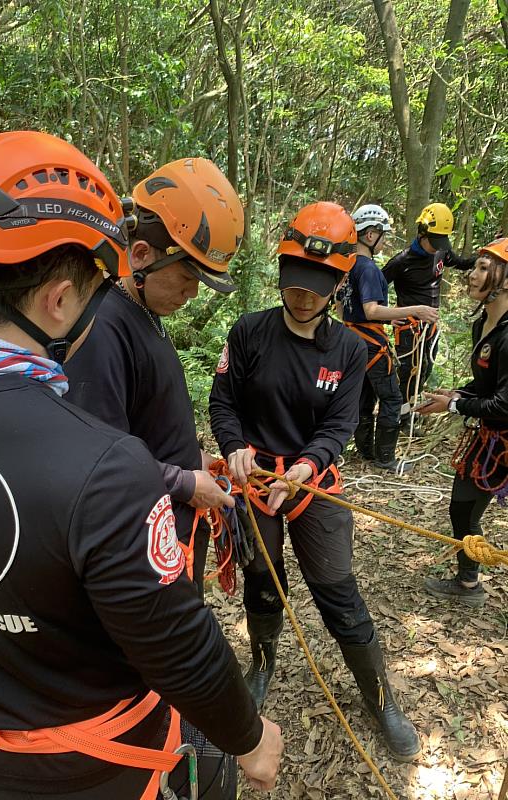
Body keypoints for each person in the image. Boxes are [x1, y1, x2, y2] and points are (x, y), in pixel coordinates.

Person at [0, 131, 283, 800]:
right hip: (101, 767)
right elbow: (176, 646)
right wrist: (250, 738)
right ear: (58, 299)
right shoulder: (105, 468)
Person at [209, 201, 421, 762]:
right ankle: (262, 661)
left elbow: (340, 424)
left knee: (337, 592)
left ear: (337, 283)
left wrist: (304, 468)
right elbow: (223, 400)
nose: (302, 295)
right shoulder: (250, 332)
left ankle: (380, 699)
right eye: (295, 281)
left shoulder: (349, 348)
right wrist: (233, 447)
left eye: (318, 285)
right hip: (255, 482)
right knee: (264, 577)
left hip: (312, 482)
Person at [65, 157, 243, 598]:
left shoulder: (142, 312)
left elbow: (146, 413)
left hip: (170, 521)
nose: (194, 292)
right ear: (141, 255)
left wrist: (191, 458)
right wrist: (184, 482)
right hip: (144, 540)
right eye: (187, 276)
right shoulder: (104, 328)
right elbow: (95, 458)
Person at [418, 237, 508, 608]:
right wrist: (456, 394)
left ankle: (470, 581)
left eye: (484, 268)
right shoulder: (484, 325)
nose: (472, 274)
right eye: (476, 266)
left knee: (465, 508)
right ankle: (468, 580)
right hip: (489, 436)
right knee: (461, 507)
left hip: (500, 437)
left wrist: (457, 406)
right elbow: (484, 386)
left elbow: (504, 403)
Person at [338, 204, 438, 470]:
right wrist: (417, 309)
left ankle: (366, 451)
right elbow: (371, 309)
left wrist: (386, 316)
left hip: (352, 342)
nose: (386, 241)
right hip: (372, 345)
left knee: (364, 397)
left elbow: (344, 309)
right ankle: (385, 459)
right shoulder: (369, 268)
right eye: (384, 235)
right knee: (392, 398)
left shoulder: (347, 266)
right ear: (370, 235)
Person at [383, 203, 475, 431]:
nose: (437, 248)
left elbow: (462, 264)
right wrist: (387, 317)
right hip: (409, 326)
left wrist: (486, 254)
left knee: (425, 368)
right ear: (422, 232)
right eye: (433, 242)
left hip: (431, 324)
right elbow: (375, 289)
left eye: (440, 242)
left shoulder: (441, 251)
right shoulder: (401, 261)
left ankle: (413, 411)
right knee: (408, 370)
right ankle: (402, 419)